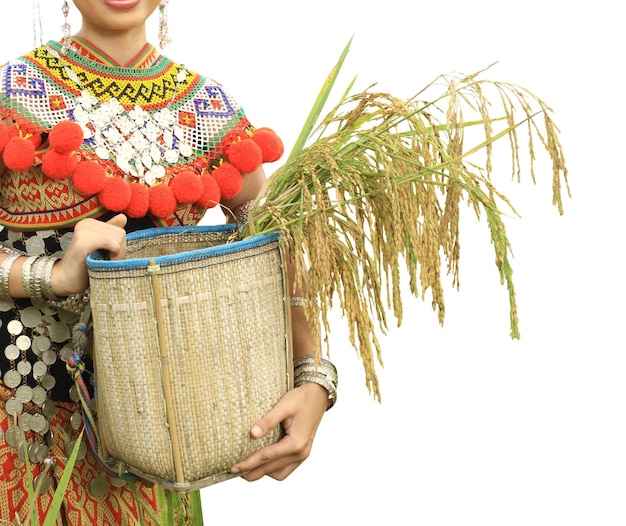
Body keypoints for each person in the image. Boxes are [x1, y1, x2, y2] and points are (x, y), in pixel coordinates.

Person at [0, 1, 335, 524]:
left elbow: (278, 246)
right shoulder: (14, 96)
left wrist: (313, 377)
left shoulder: (208, 111)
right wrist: (53, 277)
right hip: (16, 422)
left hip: (153, 448)